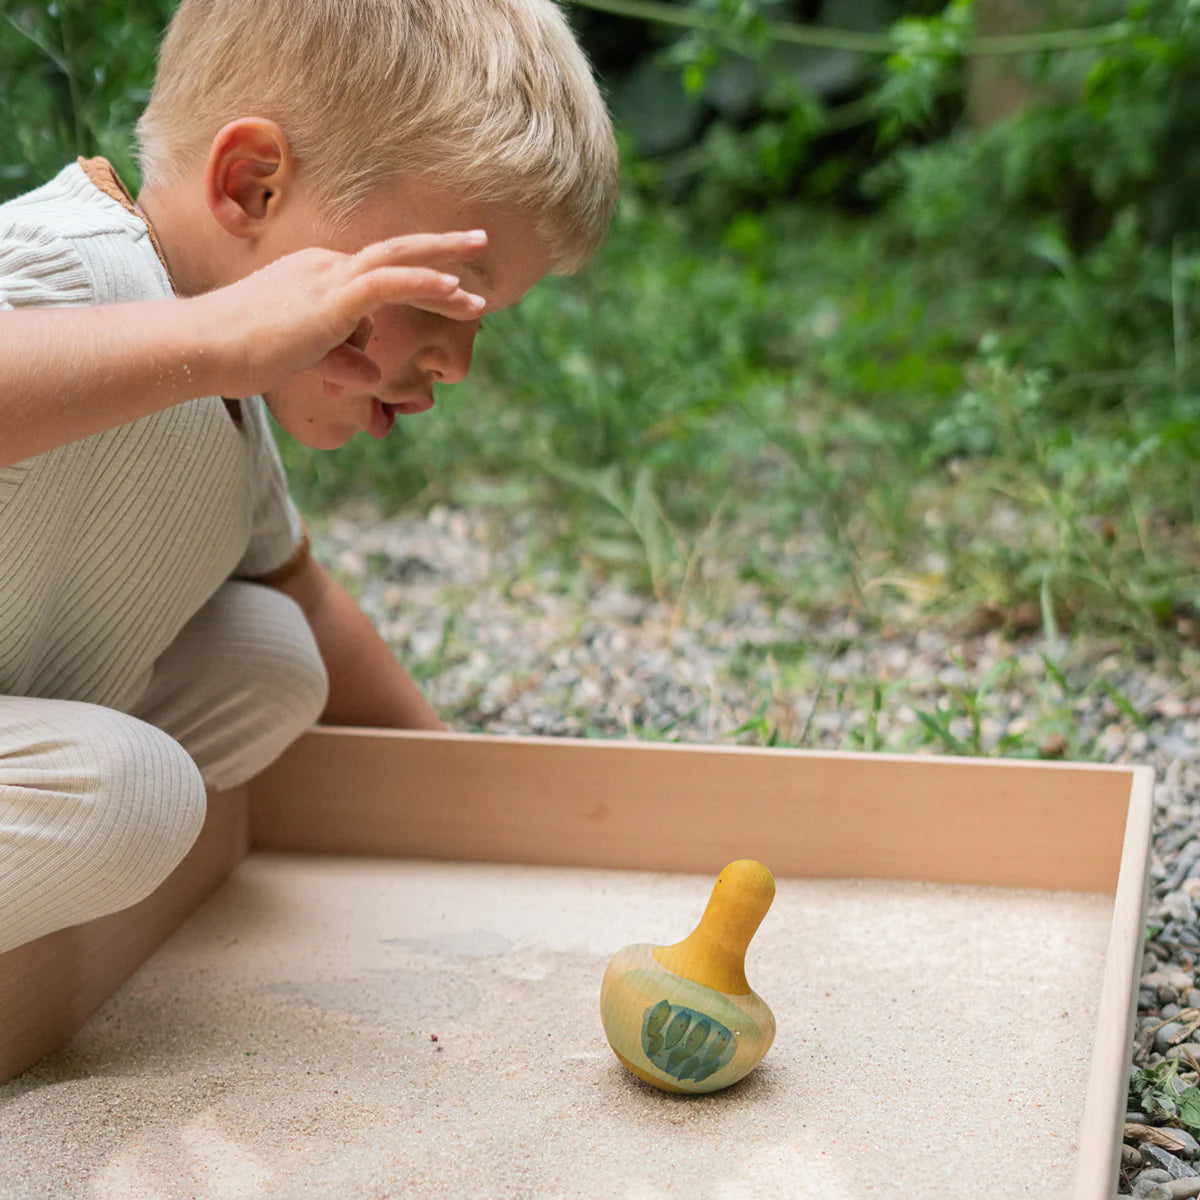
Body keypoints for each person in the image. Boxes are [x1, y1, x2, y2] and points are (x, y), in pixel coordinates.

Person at [0, 0, 618, 954]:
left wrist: (473, 817)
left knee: (276, 657)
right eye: (438, 297)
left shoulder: (225, 408)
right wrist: (215, 340)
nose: (457, 362)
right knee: (133, 794)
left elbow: (309, 599)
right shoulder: (82, 269)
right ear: (252, 186)